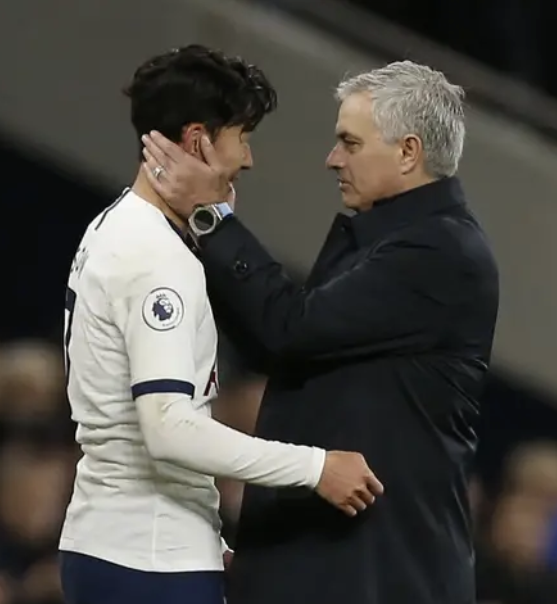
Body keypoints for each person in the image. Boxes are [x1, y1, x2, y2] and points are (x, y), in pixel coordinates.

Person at [142, 59, 500, 604]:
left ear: (408, 152)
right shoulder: (390, 242)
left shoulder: (441, 252)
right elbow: (280, 349)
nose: (333, 159)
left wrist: (210, 217)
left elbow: (289, 327)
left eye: (350, 143)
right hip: (333, 561)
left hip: (376, 574)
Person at [58, 44, 383, 604]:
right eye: (242, 137)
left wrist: (203, 537)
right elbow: (168, 427)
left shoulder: (113, 225)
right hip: (148, 562)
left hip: (116, 545)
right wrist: (315, 467)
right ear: (197, 141)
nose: (248, 159)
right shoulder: (156, 256)